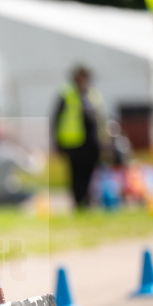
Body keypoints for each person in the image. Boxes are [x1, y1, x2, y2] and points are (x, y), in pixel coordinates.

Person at [51, 65, 105, 210]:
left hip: (92, 142)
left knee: (89, 172)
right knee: (75, 174)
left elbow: (100, 119)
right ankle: (78, 202)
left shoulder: (93, 94)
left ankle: (88, 200)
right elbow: (56, 119)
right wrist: (56, 141)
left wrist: (105, 140)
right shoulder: (67, 93)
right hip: (73, 142)